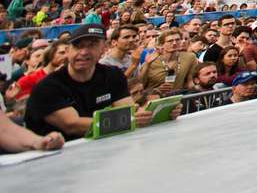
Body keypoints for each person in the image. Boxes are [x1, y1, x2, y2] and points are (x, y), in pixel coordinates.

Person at [23, 26, 162, 140]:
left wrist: (160, 113)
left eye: (92, 46)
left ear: (103, 49)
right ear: (68, 51)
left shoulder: (113, 75)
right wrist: (126, 120)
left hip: (101, 148)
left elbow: (129, 110)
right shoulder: (48, 86)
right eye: (78, 46)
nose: (84, 52)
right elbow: (72, 125)